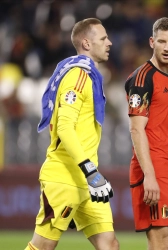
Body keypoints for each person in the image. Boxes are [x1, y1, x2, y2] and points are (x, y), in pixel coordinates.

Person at [25, 18, 119, 250]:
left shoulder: (89, 75)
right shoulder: (77, 76)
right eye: (103, 38)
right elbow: (65, 128)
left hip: (88, 180)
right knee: (44, 245)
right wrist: (90, 171)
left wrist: (91, 173)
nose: (110, 43)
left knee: (110, 244)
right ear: (86, 43)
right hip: (66, 176)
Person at [125, 17, 168, 250]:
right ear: (152, 42)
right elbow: (136, 128)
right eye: (162, 41)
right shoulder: (143, 78)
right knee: (161, 242)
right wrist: (149, 176)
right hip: (154, 168)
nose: (167, 47)